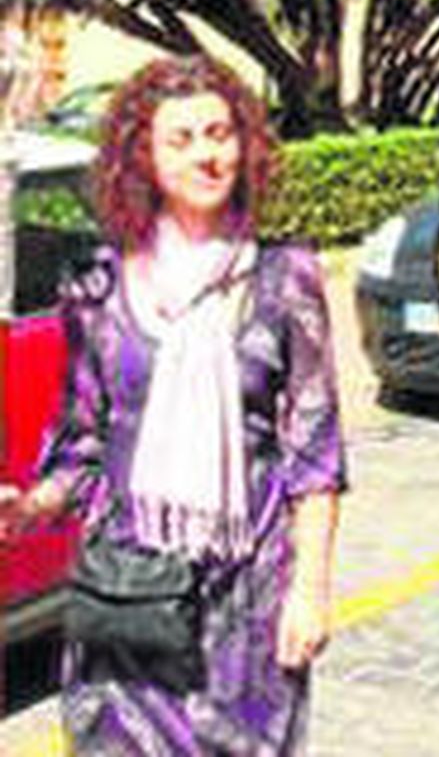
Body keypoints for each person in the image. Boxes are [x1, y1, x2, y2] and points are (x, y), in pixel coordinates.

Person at [0, 56, 347, 754]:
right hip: (126, 591)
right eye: (181, 140)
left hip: (245, 600)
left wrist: (310, 590)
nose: (206, 155)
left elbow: (315, 455)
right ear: (145, 158)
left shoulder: (286, 279)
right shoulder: (96, 285)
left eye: (218, 134)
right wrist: (33, 507)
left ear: (244, 143)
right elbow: (84, 441)